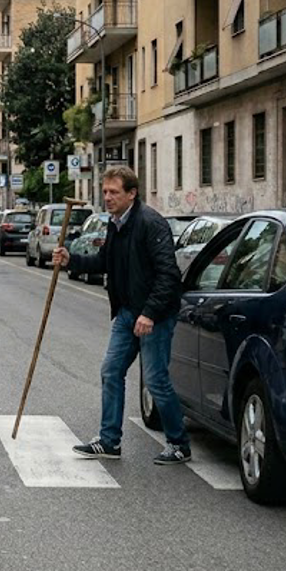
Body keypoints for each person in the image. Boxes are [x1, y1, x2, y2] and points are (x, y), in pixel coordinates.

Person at [51, 166, 191, 465]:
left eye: (114, 192)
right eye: (105, 192)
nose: (108, 197)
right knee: (110, 371)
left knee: (155, 381)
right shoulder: (115, 224)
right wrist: (71, 260)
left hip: (154, 317)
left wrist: (150, 314)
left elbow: (169, 276)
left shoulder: (151, 224)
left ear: (132, 193)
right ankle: (109, 441)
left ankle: (179, 443)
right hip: (128, 314)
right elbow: (105, 262)